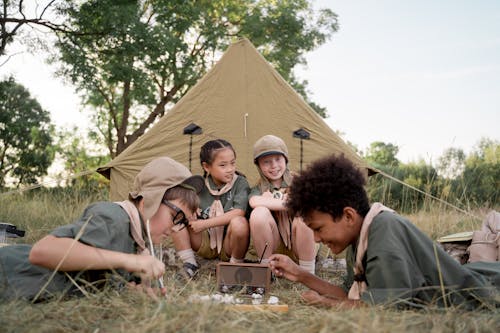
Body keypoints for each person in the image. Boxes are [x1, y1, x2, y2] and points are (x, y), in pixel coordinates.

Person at [269, 154, 500, 309]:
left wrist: (326, 303)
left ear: (348, 216)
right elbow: (351, 295)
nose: (317, 238)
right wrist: (301, 275)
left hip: (484, 292)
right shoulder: (358, 237)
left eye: (319, 229)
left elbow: (383, 310)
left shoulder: (383, 231)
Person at [0, 157, 203, 302]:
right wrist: (131, 261)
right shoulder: (114, 217)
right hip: (8, 272)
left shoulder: (137, 242)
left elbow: (105, 280)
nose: (176, 228)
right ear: (149, 199)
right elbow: (42, 251)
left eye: (182, 223)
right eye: (176, 217)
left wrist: (135, 291)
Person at [173, 139, 250, 277]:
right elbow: (178, 202)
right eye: (223, 165)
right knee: (175, 216)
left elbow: (239, 212)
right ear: (207, 167)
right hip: (204, 242)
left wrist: (204, 223)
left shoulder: (240, 183)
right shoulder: (199, 185)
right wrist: (189, 209)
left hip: (229, 244)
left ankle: (234, 265)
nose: (230, 169)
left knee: (239, 222)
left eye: (233, 163)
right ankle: (190, 264)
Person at [248, 135, 317, 274]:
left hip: (301, 246)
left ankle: (307, 273)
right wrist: (289, 203)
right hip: (275, 246)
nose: (274, 166)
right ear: (259, 166)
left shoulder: (299, 181)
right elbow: (254, 201)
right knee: (258, 213)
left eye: (278, 159)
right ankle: (267, 270)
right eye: (266, 162)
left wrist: (270, 202)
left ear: (285, 159)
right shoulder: (259, 188)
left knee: (304, 216)